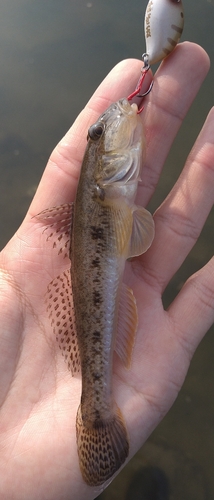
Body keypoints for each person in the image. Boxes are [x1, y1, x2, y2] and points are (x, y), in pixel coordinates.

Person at [0, 42, 213, 500]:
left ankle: (96, 407)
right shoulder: (106, 188)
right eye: (99, 135)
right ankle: (95, 410)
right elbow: (137, 233)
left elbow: (138, 232)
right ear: (100, 166)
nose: (104, 130)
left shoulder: (109, 188)